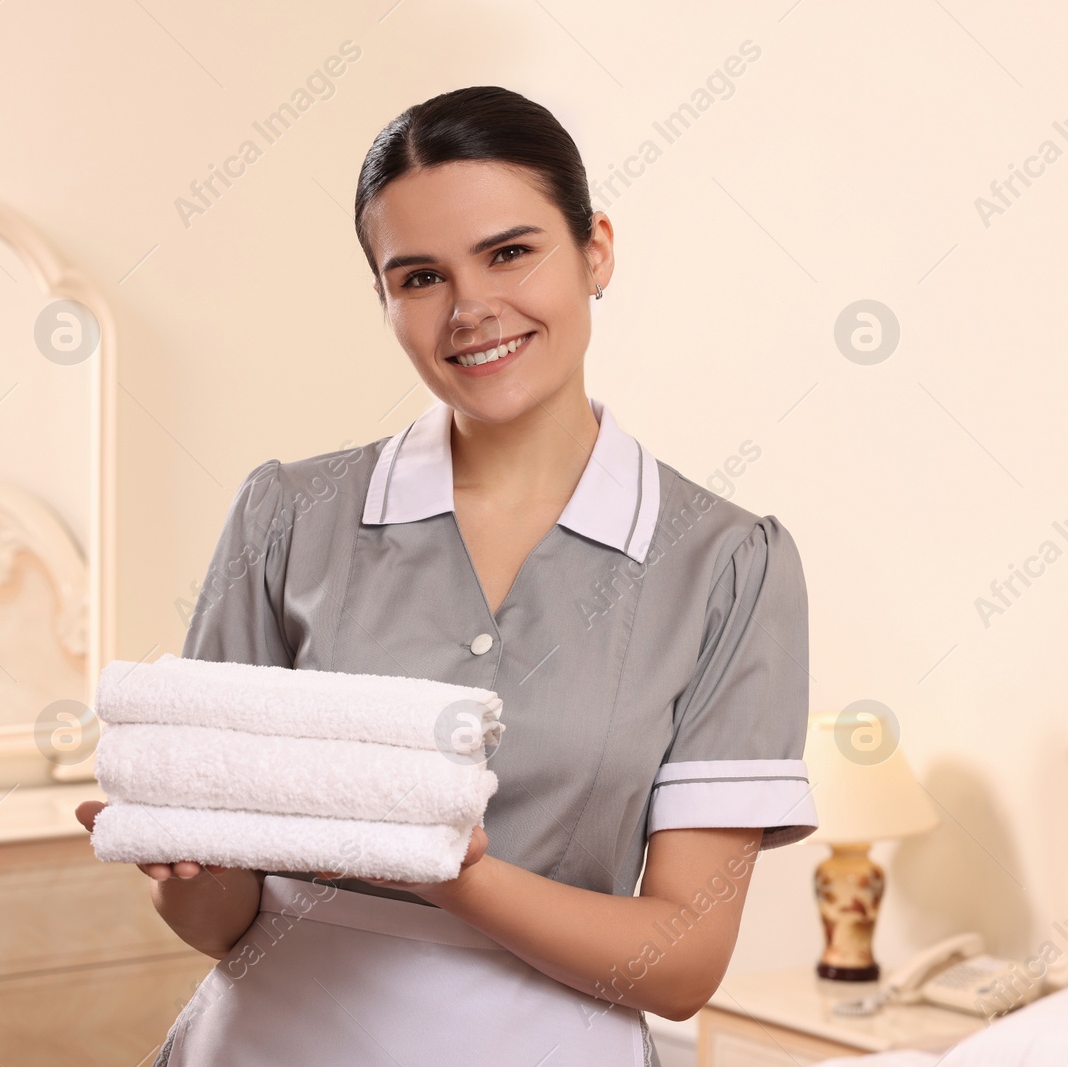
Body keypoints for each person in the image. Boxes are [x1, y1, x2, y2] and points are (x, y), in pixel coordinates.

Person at [77, 85, 818, 1066]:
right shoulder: (288, 517)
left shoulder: (725, 563)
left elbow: (681, 961)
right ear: (382, 297)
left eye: (510, 252)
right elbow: (224, 917)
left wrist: (438, 861)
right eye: (419, 276)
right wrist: (181, 864)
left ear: (595, 249)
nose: (471, 309)